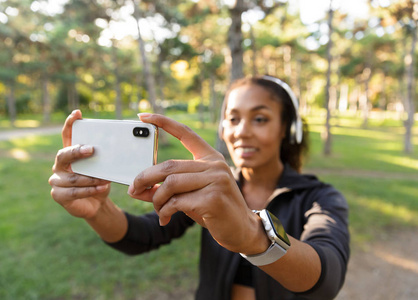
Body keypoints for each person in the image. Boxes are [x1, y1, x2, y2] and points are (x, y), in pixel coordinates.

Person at [49, 75, 350, 300]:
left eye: (260, 118)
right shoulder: (212, 189)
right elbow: (143, 235)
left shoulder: (320, 198)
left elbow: (328, 275)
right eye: (233, 119)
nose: (242, 131)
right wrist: (98, 209)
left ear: (287, 129)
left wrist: (252, 235)